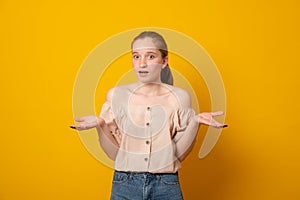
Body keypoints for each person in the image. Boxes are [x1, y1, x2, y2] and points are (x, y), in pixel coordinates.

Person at [71, 31, 227, 200]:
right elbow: (115, 155)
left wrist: (195, 123)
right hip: (125, 184)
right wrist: (100, 124)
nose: (142, 64)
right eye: (136, 56)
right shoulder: (117, 95)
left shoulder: (180, 98)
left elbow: (178, 155)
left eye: (150, 56)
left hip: (166, 185)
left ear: (164, 61)